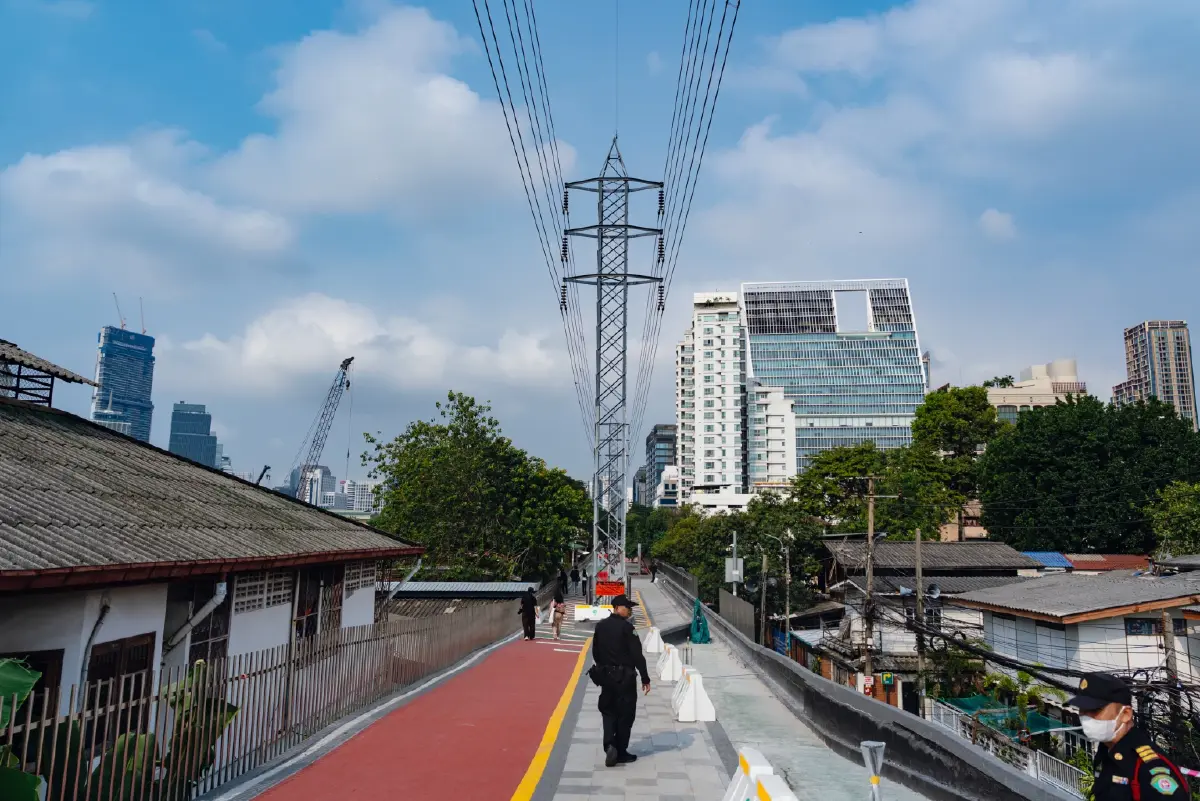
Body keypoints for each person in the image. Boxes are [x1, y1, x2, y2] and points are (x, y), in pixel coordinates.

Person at [1067, 671, 1189, 799]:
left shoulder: (1150, 766)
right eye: (1082, 710)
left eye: (1095, 710)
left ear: (1125, 714)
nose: (1086, 717)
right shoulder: (1105, 752)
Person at [590, 594, 650, 767]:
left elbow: (595, 652)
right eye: (627, 607)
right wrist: (645, 677)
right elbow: (637, 655)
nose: (629, 610)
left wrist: (604, 668)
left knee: (608, 711)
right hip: (625, 678)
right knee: (625, 714)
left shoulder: (600, 626)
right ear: (617, 608)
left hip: (607, 677)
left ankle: (609, 744)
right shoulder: (627, 628)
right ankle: (621, 752)